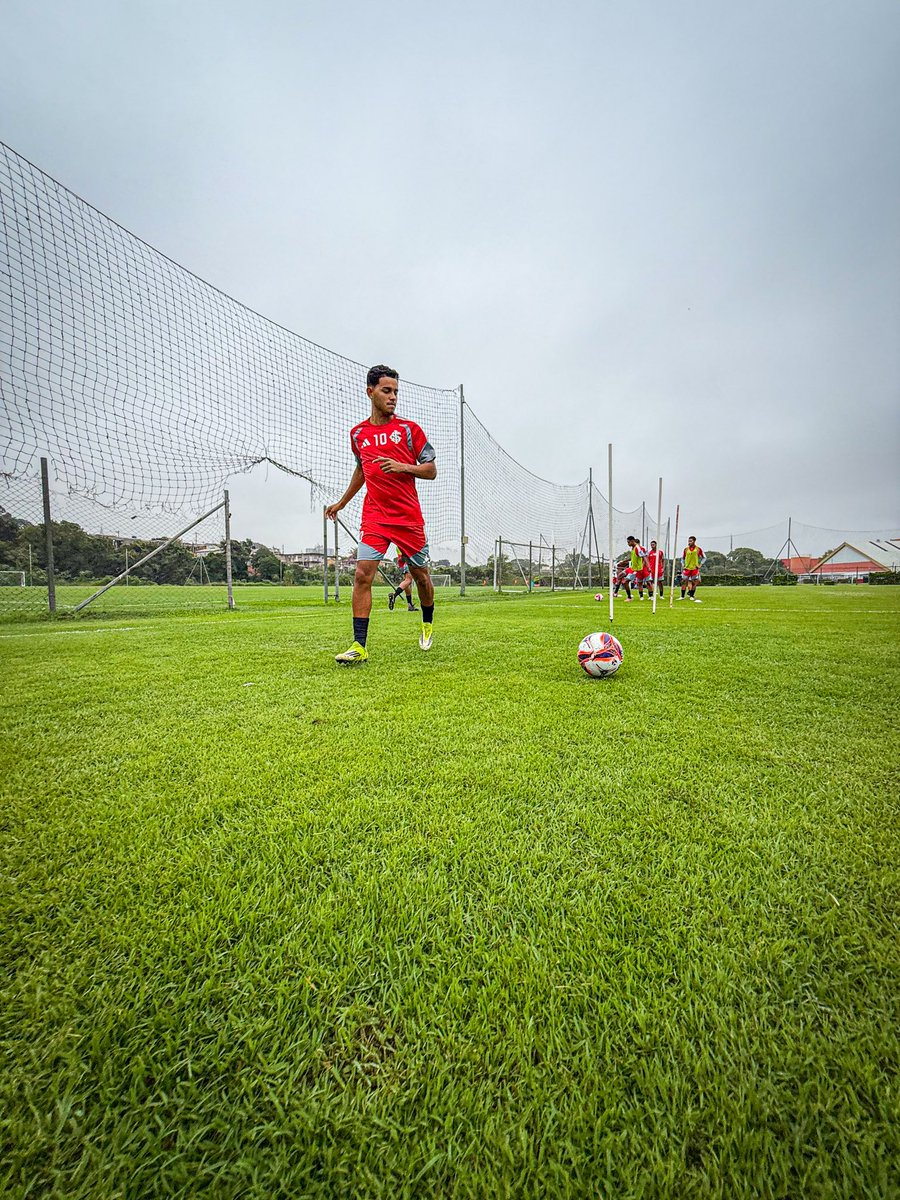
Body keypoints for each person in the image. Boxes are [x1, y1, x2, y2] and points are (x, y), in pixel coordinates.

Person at [325, 366, 436, 664]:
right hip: (375, 516)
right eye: (387, 391)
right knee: (362, 575)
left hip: (408, 518)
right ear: (370, 391)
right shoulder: (358, 434)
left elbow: (431, 470)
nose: (393, 397)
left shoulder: (409, 430)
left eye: (396, 392)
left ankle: (427, 622)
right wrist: (342, 503)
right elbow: (362, 470)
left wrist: (404, 467)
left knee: (420, 577)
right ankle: (358, 645)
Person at [679, 535, 706, 602]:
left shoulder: (698, 549)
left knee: (694, 582)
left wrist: (700, 565)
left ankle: (691, 596)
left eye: (690, 541)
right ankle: (682, 596)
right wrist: (682, 564)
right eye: (688, 541)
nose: (689, 542)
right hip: (686, 568)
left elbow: (704, 557)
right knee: (683, 582)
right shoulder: (686, 549)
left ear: (694, 541)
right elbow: (682, 558)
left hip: (694, 568)